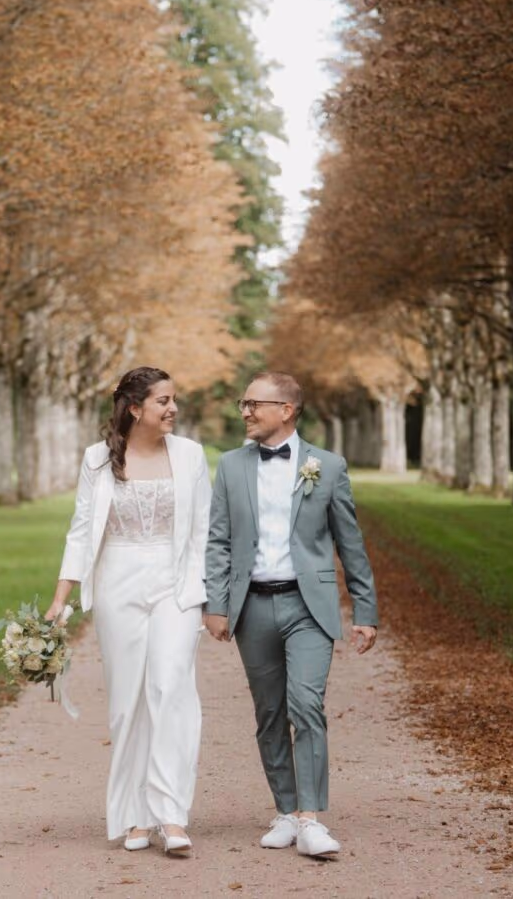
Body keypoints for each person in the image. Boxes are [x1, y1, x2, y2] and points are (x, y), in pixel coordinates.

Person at [203, 371, 379, 859]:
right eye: (243, 402)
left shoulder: (328, 465)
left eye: (254, 403)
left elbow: (351, 542)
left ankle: (310, 819)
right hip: (252, 606)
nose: (245, 411)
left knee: (305, 704)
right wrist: (215, 604)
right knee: (269, 714)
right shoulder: (231, 466)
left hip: (310, 607)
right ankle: (285, 809)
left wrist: (365, 609)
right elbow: (218, 540)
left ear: (286, 409)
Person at [45, 366, 211, 856]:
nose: (173, 409)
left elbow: (203, 531)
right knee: (127, 702)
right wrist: (61, 598)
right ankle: (133, 816)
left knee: (170, 686)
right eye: (163, 401)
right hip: (118, 584)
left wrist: (207, 597)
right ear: (134, 408)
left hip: (177, 586)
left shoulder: (191, 455)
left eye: (174, 399)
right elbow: (80, 531)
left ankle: (171, 815)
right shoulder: (97, 459)